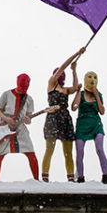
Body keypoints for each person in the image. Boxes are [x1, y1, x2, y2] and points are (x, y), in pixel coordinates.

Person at [42, 47, 85, 182]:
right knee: (50, 149)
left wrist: (74, 71)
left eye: (62, 75)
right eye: (60, 74)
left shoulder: (66, 89)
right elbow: (63, 66)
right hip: (53, 117)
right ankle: (44, 177)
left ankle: (71, 178)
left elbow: (75, 87)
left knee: (68, 152)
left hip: (65, 119)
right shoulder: (52, 84)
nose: (61, 75)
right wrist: (77, 54)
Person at [0, 74, 39, 180]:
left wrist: (28, 119)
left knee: (31, 152)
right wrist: (6, 119)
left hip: (20, 128)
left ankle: (36, 180)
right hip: (4, 127)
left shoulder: (29, 99)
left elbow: (29, 117)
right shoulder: (6, 94)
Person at [72, 71, 107, 184]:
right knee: (80, 152)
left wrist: (97, 96)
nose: (92, 79)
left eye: (95, 77)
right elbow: (74, 107)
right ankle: (80, 177)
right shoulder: (81, 94)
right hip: (82, 125)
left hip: (96, 124)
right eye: (89, 77)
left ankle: (106, 176)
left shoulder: (99, 94)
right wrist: (77, 92)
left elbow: (102, 111)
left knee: (99, 149)